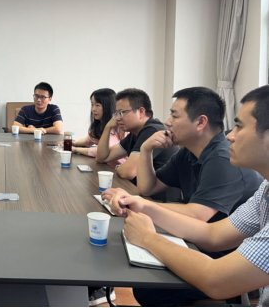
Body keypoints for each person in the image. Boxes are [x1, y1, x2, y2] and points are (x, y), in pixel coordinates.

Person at [108, 85, 269, 307]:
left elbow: (216, 278)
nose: (230, 136)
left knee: (153, 287)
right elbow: (213, 235)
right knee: (148, 283)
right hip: (223, 258)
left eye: (239, 127)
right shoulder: (265, 191)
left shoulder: (223, 158)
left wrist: (147, 237)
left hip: (234, 266)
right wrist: (142, 205)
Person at [104, 87, 262, 224]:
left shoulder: (223, 158)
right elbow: (147, 188)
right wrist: (146, 149)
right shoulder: (187, 153)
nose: (167, 122)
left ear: (201, 122)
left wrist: (137, 203)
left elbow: (198, 215)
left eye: (175, 116)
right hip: (197, 235)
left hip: (226, 247)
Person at [95, 88, 179, 183]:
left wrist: (119, 167)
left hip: (158, 192)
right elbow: (102, 158)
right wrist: (107, 127)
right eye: (117, 113)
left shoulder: (152, 130)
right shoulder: (135, 133)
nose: (117, 118)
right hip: (141, 189)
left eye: (121, 113)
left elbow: (127, 172)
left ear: (141, 112)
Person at [72, 88, 127, 169]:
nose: (93, 109)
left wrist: (75, 149)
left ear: (108, 106)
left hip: (118, 171)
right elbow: (88, 140)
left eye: (97, 105)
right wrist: (72, 143)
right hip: (106, 167)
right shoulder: (100, 124)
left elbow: (102, 152)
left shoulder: (116, 126)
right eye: (92, 104)